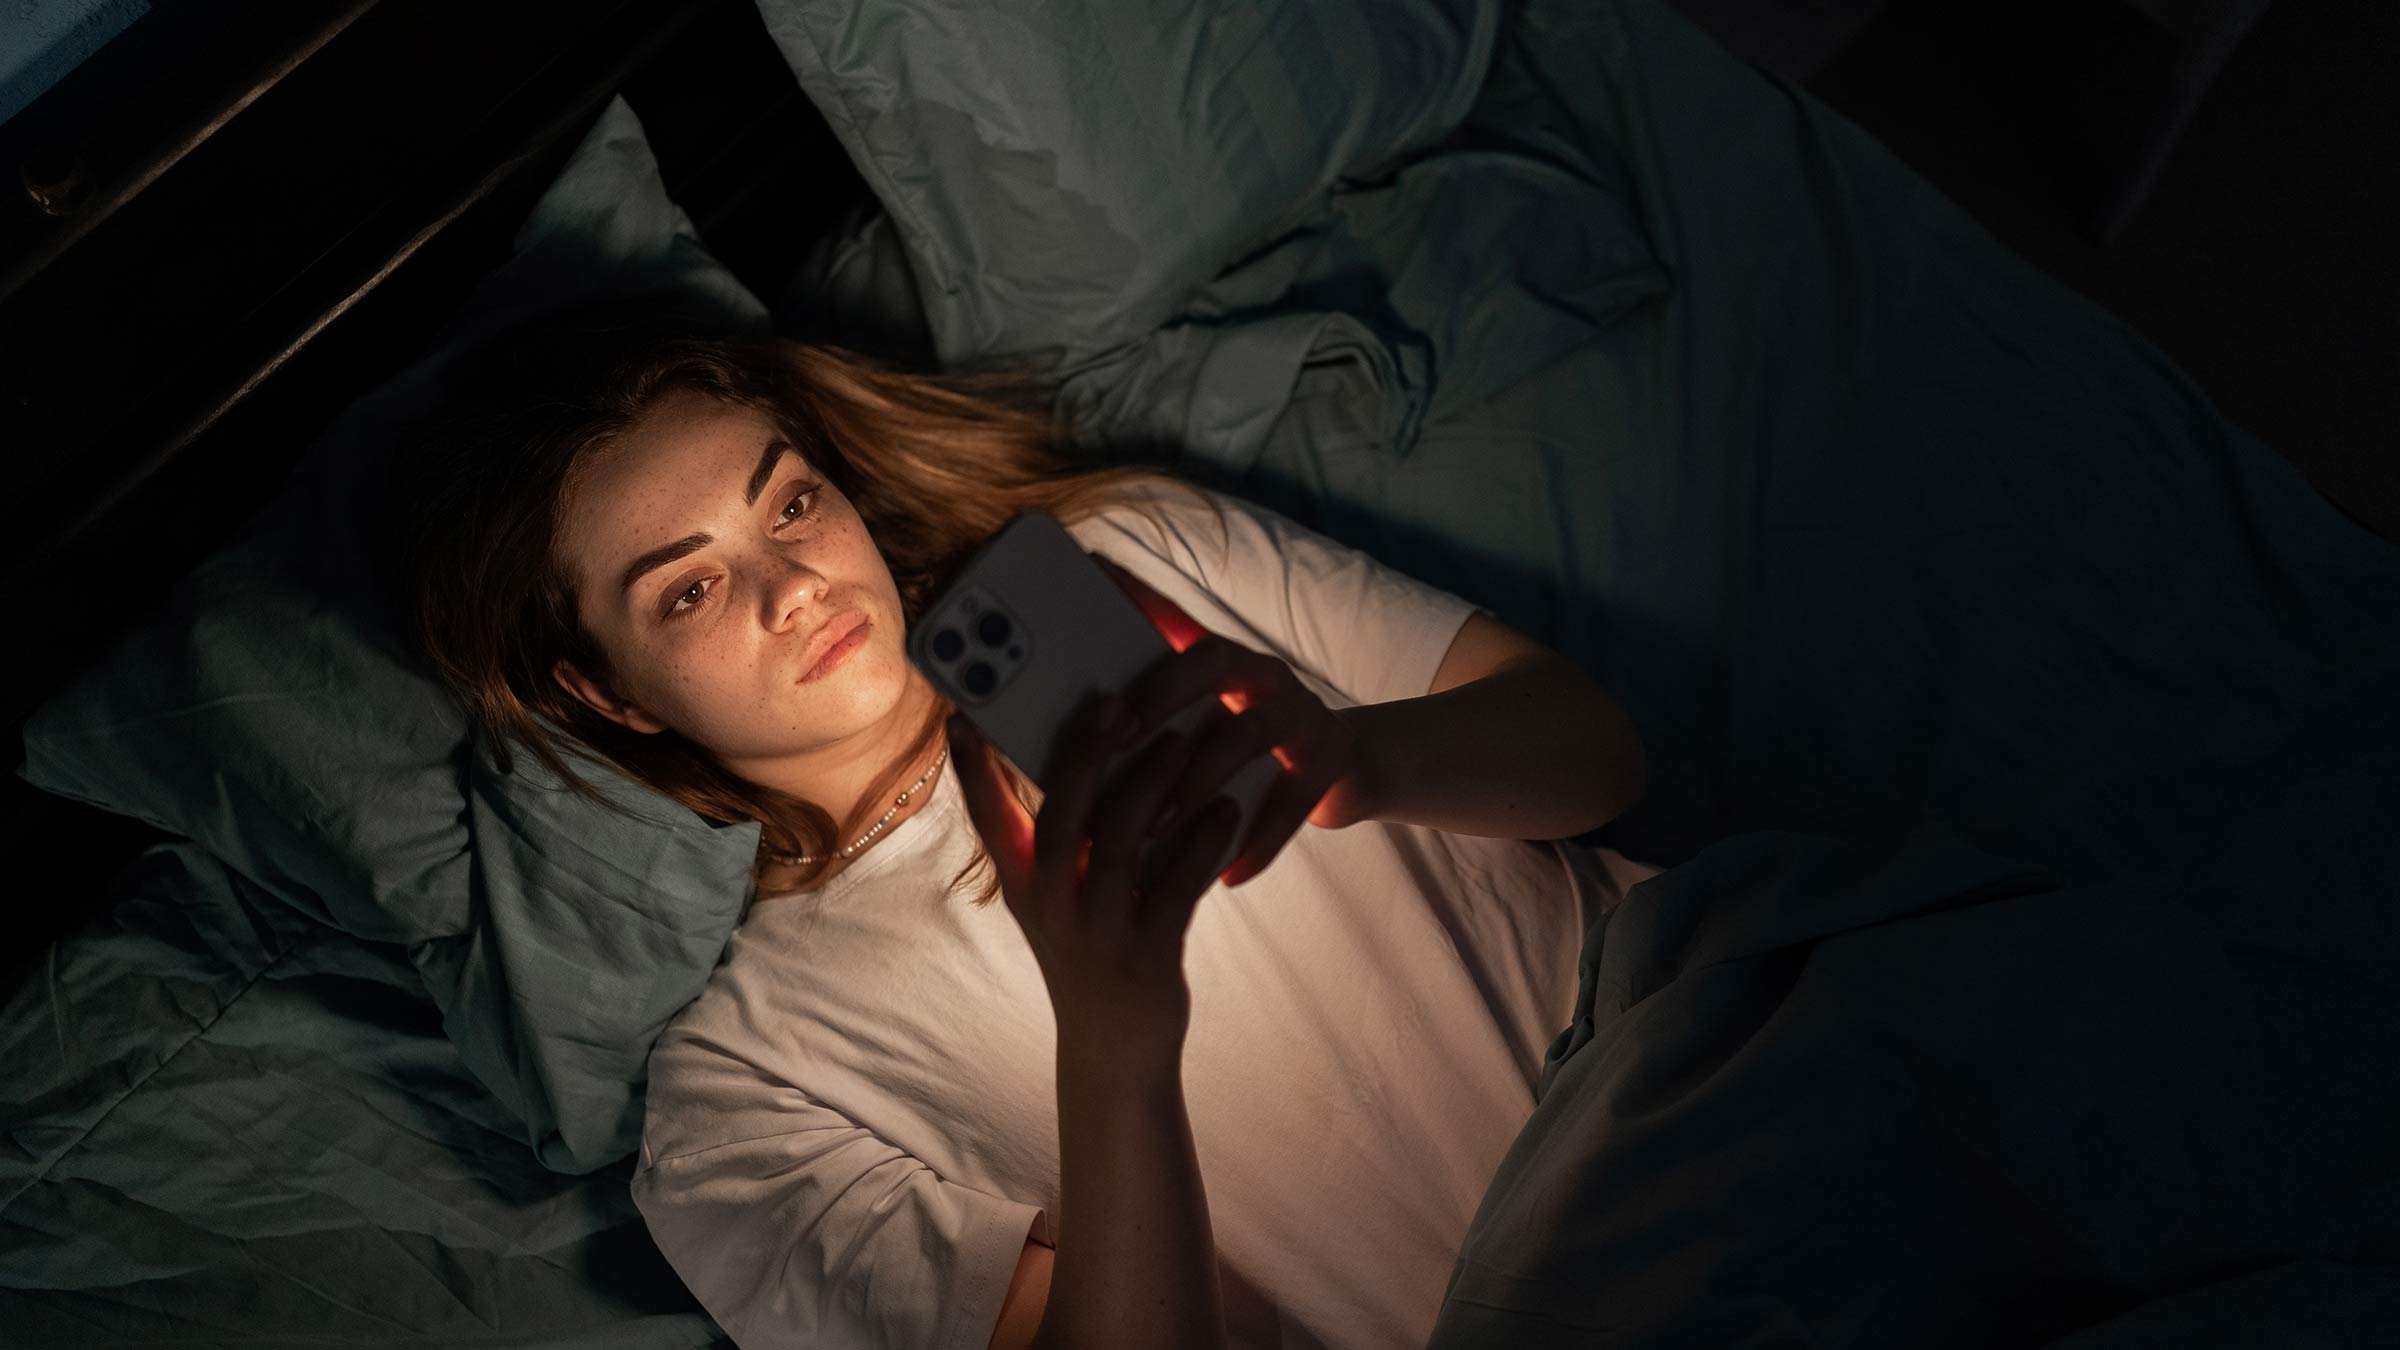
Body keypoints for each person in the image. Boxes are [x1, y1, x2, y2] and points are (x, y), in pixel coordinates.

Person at [384, 296, 1656, 1349]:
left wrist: (1356, 758)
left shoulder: (1127, 560)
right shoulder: (737, 1099)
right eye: (693, 588)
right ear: (604, 691)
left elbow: (1597, 755)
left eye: (789, 505)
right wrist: (1114, 1041)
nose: (793, 588)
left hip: (1710, 1052)